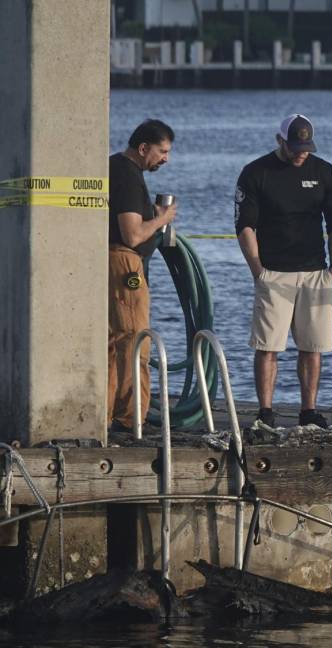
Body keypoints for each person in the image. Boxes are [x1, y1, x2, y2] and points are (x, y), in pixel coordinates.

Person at [234, 114, 332, 429]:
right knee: (268, 345)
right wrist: (258, 271)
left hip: (316, 272)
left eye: (306, 146)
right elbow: (244, 226)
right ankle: (266, 411)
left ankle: (308, 410)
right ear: (279, 140)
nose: (301, 152)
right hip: (273, 271)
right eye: (295, 146)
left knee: (314, 345)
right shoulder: (256, 172)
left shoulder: (325, 172)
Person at [108, 119, 177, 433]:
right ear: (143, 147)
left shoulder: (115, 167)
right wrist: (162, 218)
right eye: (162, 151)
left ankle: (110, 412)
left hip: (111, 263)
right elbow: (133, 234)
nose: (166, 159)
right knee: (136, 339)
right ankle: (131, 417)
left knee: (113, 340)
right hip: (125, 265)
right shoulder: (128, 176)